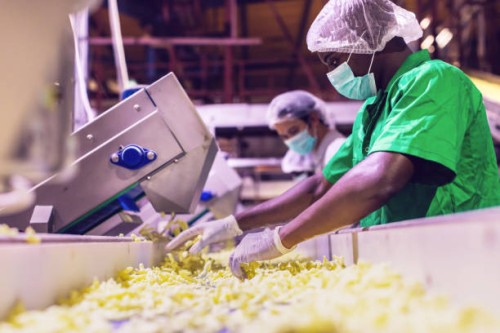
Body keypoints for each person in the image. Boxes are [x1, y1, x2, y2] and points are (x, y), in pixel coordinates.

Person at [166, 0, 500, 279]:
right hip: (411, 256)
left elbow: (380, 179)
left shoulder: (433, 80)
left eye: (333, 60)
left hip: (461, 250)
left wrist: (281, 239)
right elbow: (318, 187)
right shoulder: (373, 110)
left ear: (371, 41)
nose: (332, 74)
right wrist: (233, 224)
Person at [267, 90, 345, 176]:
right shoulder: (317, 154)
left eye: (294, 131)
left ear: (313, 119)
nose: (291, 140)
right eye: (285, 137)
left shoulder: (337, 149)